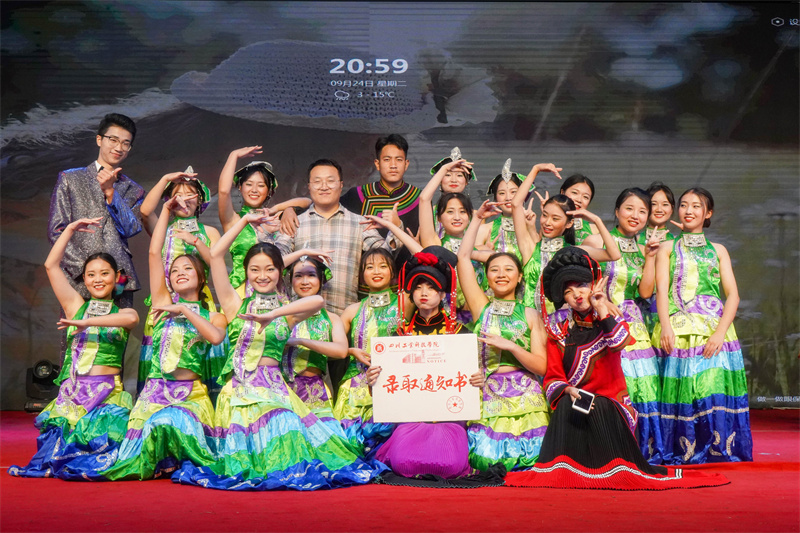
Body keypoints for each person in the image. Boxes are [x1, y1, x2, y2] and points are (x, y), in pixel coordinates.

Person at [173, 215, 378, 490]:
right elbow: (217, 253)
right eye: (255, 270)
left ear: (280, 272)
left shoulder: (287, 312)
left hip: (275, 388)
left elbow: (317, 301)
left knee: (288, 423)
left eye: (270, 269)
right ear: (246, 272)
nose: (262, 276)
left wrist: (273, 314)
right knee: (270, 433)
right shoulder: (234, 303)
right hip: (240, 389)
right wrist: (245, 220)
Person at [503, 247, 728, 490]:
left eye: (581, 286)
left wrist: (601, 308)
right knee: (568, 403)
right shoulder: (558, 330)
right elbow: (553, 377)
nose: (577, 295)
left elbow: (619, 342)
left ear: (593, 286)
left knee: (599, 405)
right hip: (577, 400)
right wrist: (568, 390)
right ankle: (568, 467)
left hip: (611, 402)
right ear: (564, 299)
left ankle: (609, 468)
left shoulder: (610, 316)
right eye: (568, 291)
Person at [97, 199, 228, 480]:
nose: (179, 273)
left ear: (201, 278)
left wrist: (185, 310)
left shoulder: (214, 316)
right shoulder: (162, 303)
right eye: (175, 271)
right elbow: (154, 253)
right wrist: (166, 211)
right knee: (140, 443)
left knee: (171, 420)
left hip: (190, 395)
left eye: (187, 269)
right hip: (155, 392)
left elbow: (216, 338)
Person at [10, 218, 139, 478]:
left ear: (117, 278)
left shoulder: (123, 312)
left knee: (103, 451)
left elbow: (131, 319)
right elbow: (50, 266)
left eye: (104, 273)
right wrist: (69, 229)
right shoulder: (75, 306)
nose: (97, 279)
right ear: (85, 279)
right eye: (91, 275)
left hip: (107, 394)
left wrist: (87, 322)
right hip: (74, 393)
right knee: (57, 453)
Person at [365, 247, 501, 486]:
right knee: (403, 462)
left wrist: (477, 381)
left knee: (451, 464)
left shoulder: (460, 334)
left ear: (443, 293)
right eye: (418, 287)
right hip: (411, 418)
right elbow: (387, 392)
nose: (424, 293)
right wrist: (373, 381)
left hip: (449, 417)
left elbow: (469, 385)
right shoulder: (398, 337)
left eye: (431, 287)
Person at [653, 188, 752, 464]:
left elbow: (733, 295)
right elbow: (661, 291)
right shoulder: (667, 248)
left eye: (696, 206)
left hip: (713, 330)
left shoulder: (718, 250)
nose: (688, 210)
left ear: (708, 214)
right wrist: (666, 326)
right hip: (680, 329)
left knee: (711, 388)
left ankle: (716, 448)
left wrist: (720, 333)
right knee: (684, 390)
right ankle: (684, 448)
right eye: (684, 205)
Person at [456, 200, 550, 472]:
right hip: (488, 391)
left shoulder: (531, 314)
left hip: (527, 396)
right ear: (486, 277)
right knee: (484, 460)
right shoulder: (481, 307)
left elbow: (541, 366)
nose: (501, 274)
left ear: (520, 277)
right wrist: (477, 218)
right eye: (494, 269)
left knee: (535, 459)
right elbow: (463, 258)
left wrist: (512, 347)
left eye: (509, 269)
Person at [583, 188, 665, 463]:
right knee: (609, 382)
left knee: (641, 385)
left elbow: (645, 292)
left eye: (642, 211)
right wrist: (601, 300)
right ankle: (605, 447)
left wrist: (650, 256)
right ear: (617, 211)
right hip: (601, 319)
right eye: (629, 208)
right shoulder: (596, 240)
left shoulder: (644, 248)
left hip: (633, 325)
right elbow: (582, 278)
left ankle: (641, 450)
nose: (635, 215)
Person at [136, 171, 222, 395]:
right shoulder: (164, 228)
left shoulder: (210, 232)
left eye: (190, 194)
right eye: (178, 195)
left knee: (201, 353)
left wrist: (196, 241)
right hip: (164, 300)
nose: (184, 199)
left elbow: (217, 264)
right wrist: (165, 179)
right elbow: (145, 211)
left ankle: (203, 401)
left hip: (199, 302)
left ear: (200, 199)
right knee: (162, 352)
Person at [47, 113, 144, 310]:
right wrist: (86, 270)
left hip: (120, 276)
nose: (119, 147)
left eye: (125, 143)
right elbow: (57, 231)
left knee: (117, 327)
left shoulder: (134, 189)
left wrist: (111, 193)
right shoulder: (70, 178)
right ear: (99, 139)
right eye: (113, 140)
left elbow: (131, 229)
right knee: (78, 328)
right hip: (78, 275)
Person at [507, 163, 620, 316]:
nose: (547, 222)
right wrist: (535, 169)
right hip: (530, 323)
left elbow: (614, 254)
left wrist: (596, 220)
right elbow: (516, 204)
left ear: (569, 223)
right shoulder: (530, 247)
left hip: (561, 324)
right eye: (545, 215)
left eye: (555, 218)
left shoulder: (573, 252)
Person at [218, 146, 311, 295]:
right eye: (249, 184)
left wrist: (284, 208)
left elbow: (307, 202)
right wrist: (233, 155)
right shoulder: (234, 220)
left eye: (261, 185)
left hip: (278, 295)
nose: (254, 190)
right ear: (240, 187)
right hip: (242, 294)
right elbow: (223, 192)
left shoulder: (276, 218)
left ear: (269, 191)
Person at [334, 249, 400, 458]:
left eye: (383, 266)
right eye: (369, 267)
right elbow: (330, 349)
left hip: (393, 385)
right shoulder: (352, 310)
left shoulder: (404, 304)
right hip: (354, 386)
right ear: (362, 275)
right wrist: (350, 350)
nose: (376, 271)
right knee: (347, 447)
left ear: (393, 272)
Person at [282, 255, 349, 433]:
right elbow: (271, 268)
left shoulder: (332, 319)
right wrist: (304, 251)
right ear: (290, 280)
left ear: (321, 280)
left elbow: (341, 351)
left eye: (311, 275)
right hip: (281, 390)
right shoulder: (280, 314)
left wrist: (300, 341)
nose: (305, 281)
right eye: (298, 276)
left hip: (314, 390)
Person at [340, 134, 421, 265]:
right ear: (377, 164)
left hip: (408, 273)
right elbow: (328, 208)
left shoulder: (419, 198)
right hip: (365, 273)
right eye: (387, 159)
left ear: (406, 164)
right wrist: (301, 204)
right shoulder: (357, 195)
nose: (393, 165)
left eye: (399, 160)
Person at [637, 182, 678, 339]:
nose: (659, 209)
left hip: (670, 312)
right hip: (637, 311)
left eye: (665, 204)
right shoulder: (633, 240)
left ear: (672, 209)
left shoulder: (677, 244)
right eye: (654, 204)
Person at [474, 159, 535, 263]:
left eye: (514, 192)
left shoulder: (530, 227)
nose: (508, 198)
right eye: (502, 193)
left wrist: (531, 228)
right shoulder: (484, 230)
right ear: (495, 197)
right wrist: (484, 252)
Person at [428, 147, 477, 237]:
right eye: (448, 175)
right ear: (439, 180)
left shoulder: (476, 215)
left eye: (459, 175)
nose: (454, 180)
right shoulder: (429, 212)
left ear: (466, 181)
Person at [559, 174, 596, 244]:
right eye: (574, 193)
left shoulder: (594, 230)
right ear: (562, 193)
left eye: (585, 197)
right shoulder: (550, 223)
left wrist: (597, 220)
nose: (579, 200)